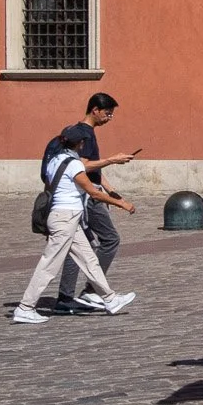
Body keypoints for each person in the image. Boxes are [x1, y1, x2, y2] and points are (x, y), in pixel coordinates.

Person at [15, 125, 137, 323]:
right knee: (49, 265)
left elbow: (49, 185)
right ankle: (25, 307)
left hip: (65, 218)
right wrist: (122, 203)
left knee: (89, 259)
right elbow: (94, 192)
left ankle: (110, 298)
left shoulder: (55, 160)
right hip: (65, 218)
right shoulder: (74, 165)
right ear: (80, 144)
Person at [49, 92, 139, 316]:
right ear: (95, 110)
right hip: (87, 197)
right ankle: (91, 290)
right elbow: (83, 166)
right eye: (108, 113)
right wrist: (112, 160)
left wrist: (111, 189)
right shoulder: (85, 134)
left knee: (77, 245)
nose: (109, 117)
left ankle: (65, 297)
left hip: (89, 193)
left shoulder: (83, 132)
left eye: (112, 114)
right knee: (110, 239)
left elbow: (93, 169)